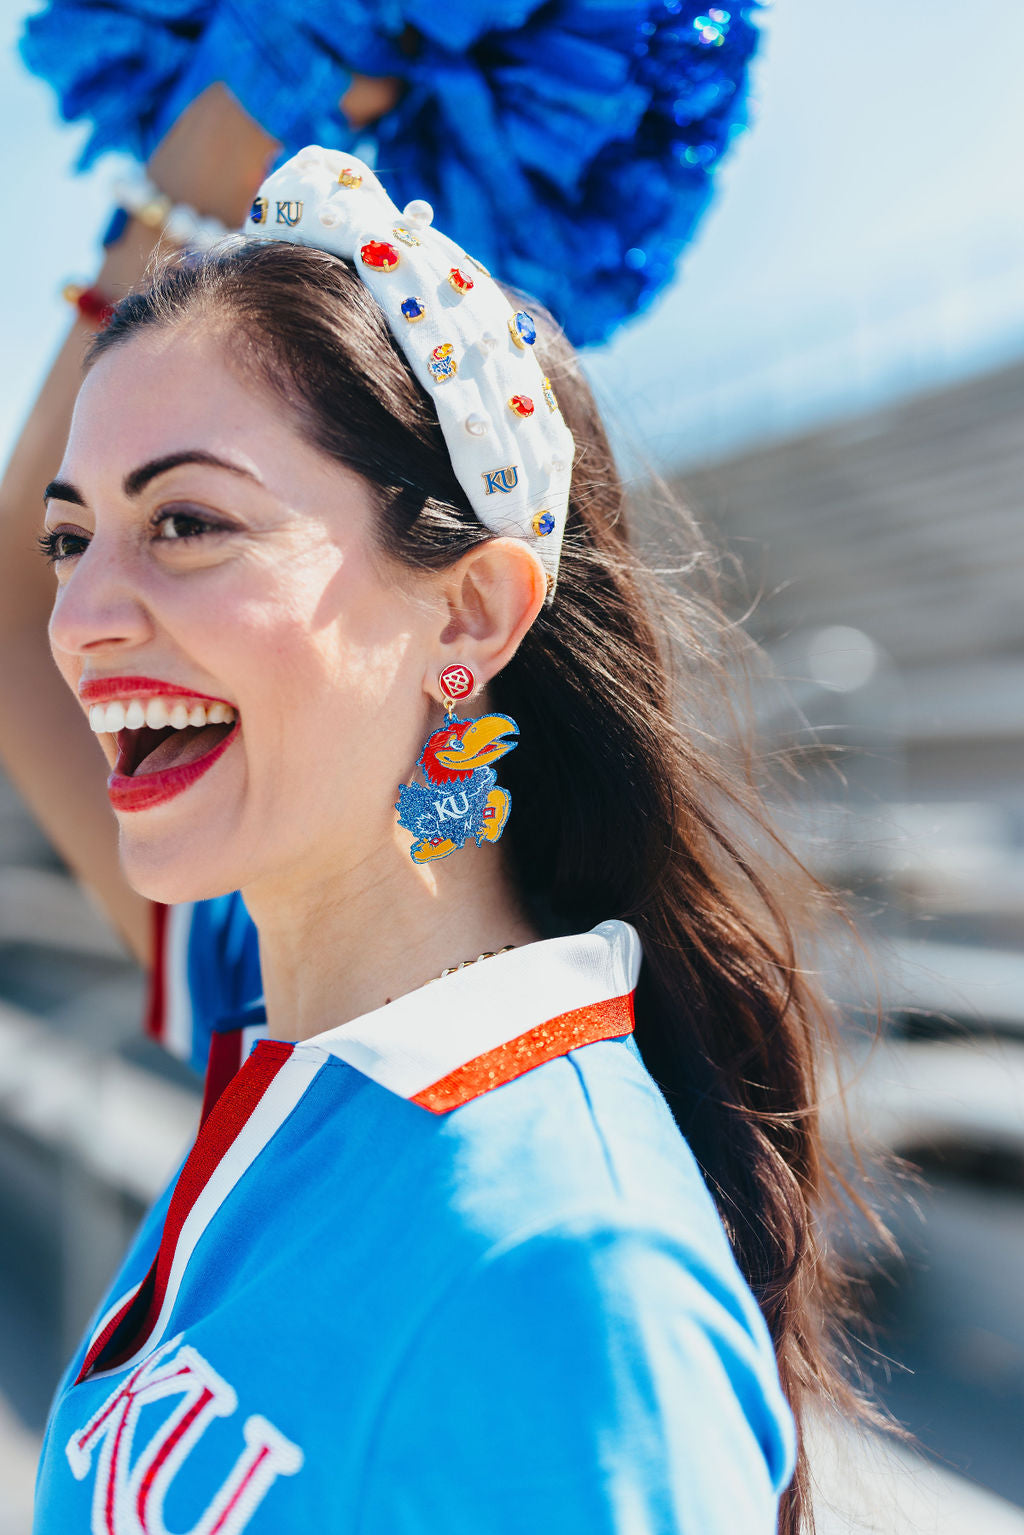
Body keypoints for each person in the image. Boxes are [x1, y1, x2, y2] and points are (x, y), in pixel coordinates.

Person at [0, 112, 866, 1535]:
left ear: (467, 611)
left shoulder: (570, 1281)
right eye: (69, 536)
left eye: (188, 524)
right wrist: (178, 186)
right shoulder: (292, 1011)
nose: (82, 621)